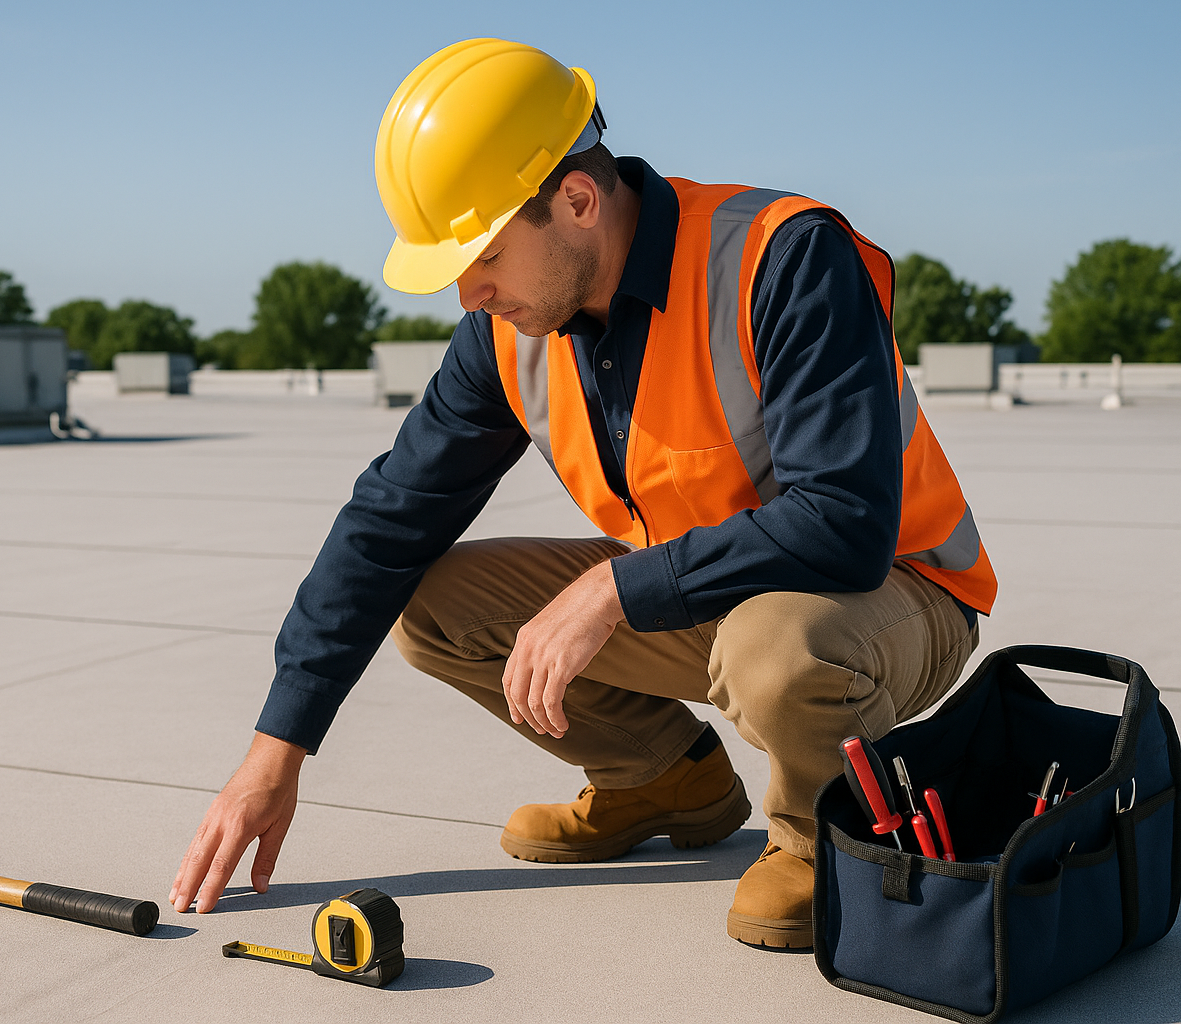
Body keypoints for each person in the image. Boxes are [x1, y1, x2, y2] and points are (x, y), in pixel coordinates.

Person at [170, 38, 995, 950]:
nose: (466, 292)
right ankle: (656, 778)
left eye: (481, 254)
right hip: (707, 594)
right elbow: (388, 520)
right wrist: (273, 753)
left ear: (577, 200)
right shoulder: (508, 330)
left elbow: (844, 524)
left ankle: (816, 837)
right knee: (429, 606)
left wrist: (610, 589)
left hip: (891, 597)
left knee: (778, 649)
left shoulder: (783, 257)